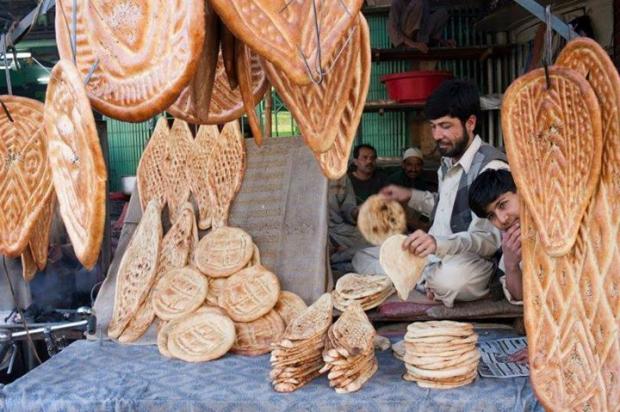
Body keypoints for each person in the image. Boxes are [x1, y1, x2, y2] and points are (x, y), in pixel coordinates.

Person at [353, 79, 508, 308]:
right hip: (432, 255)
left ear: (470, 123)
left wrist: (438, 243)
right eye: (433, 126)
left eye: (445, 126)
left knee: (451, 280)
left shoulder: (491, 167)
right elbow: (446, 205)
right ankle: (423, 279)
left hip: (468, 259)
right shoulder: (447, 162)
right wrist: (409, 195)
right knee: (361, 257)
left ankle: (422, 280)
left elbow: (488, 240)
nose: (436, 135)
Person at [469, 168, 527, 363]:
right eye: (491, 216)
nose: (502, 219)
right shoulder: (511, 241)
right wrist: (511, 264)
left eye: (503, 205)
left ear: (521, 191)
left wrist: (551, 345)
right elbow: (521, 298)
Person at [388, 0, 455, 53]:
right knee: (418, 2)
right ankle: (419, 42)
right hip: (407, 39)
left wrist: (442, 41)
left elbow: (425, 24)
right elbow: (393, 30)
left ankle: (428, 43)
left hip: (421, 37)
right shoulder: (397, 3)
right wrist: (414, 44)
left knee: (442, 13)